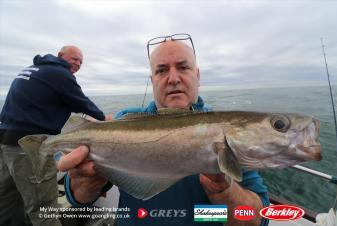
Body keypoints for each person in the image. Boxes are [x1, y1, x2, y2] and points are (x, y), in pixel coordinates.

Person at [58, 36, 269, 226]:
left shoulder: (227, 131)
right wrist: (86, 180)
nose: (174, 78)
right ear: (152, 80)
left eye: (183, 67)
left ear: (197, 75)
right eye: (161, 70)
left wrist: (221, 192)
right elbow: (79, 198)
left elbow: (257, 219)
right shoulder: (123, 122)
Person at [0, 45, 106, 226]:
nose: (78, 64)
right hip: (31, 147)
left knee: (6, 201)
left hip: (5, 143)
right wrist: (105, 120)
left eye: (81, 61)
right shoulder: (60, 74)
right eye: (75, 59)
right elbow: (82, 103)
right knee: (44, 211)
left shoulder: (33, 70)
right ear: (60, 56)